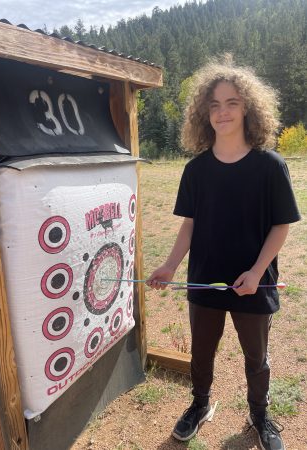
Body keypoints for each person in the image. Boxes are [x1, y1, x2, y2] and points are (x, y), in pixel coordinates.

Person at [146, 55, 300, 450]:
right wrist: (168, 265)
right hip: (204, 279)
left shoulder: (270, 166)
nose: (222, 112)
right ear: (203, 113)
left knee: (257, 359)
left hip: (255, 283)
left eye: (231, 102)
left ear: (248, 107)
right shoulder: (196, 170)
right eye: (213, 105)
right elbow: (190, 224)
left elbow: (280, 226)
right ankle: (200, 404)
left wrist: (257, 271)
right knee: (201, 353)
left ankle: (260, 414)